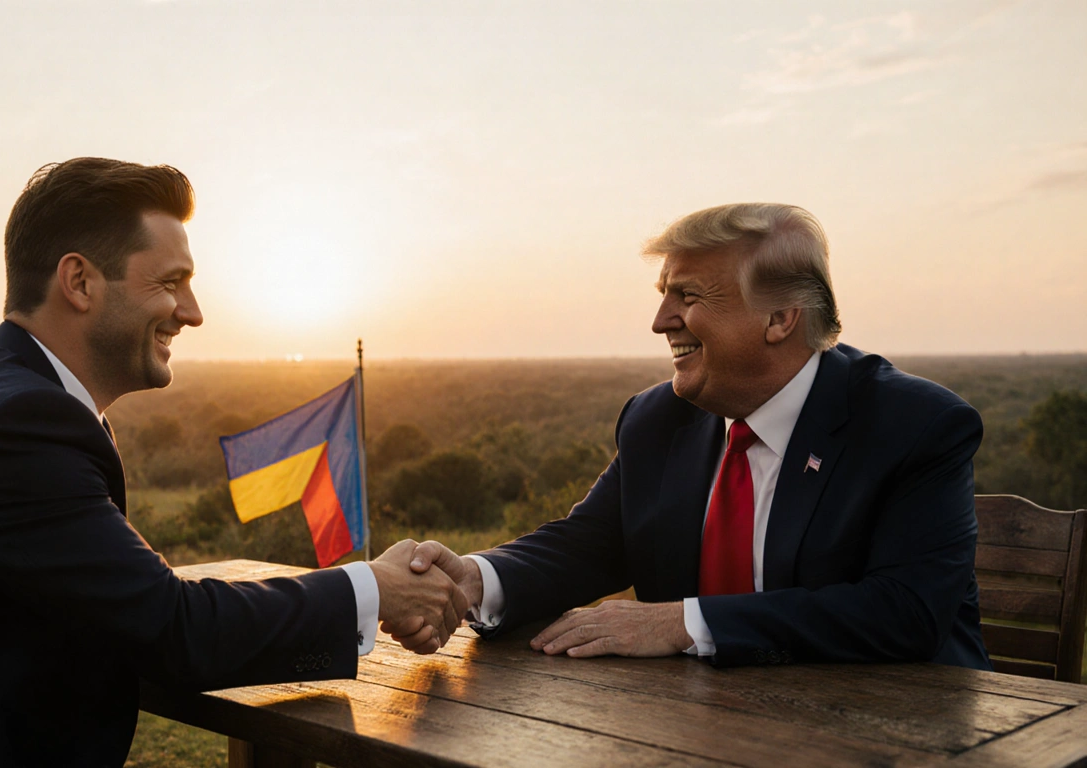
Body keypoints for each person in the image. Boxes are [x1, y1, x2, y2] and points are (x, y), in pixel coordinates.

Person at [0, 158, 467, 767]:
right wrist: (372, 591)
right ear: (81, 282)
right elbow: (170, 629)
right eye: (170, 282)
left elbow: (117, 600)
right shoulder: (15, 425)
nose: (192, 311)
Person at [392, 203, 990, 670]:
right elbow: (591, 544)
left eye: (689, 296)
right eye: (664, 296)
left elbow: (905, 612)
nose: (660, 321)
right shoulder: (658, 419)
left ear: (780, 318)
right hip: (697, 728)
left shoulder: (915, 425)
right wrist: (476, 579)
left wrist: (683, 623)